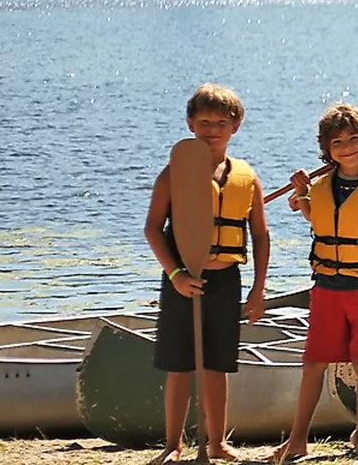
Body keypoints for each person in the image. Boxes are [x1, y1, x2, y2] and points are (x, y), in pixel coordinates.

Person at [142, 84, 270, 463]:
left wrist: (258, 290)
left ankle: (215, 444)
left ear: (236, 126)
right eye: (204, 122)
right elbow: (153, 228)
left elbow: (260, 235)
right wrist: (177, 275)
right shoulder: (173, 174)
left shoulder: (247, 177)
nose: (212, 129)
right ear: (190, 124)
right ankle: (173, 445)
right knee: (180, 366)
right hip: (183, 280)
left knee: (217, 366)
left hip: (226, 279)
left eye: (221, 122)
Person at [273, 103, 358, 460]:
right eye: (337, 142)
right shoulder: (323, 185)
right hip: (327, 288)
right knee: (314, 363)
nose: (346, 147)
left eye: (354, 139)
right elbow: (318, 221)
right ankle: (297, 438)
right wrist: (302, 193)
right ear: (327, 149)